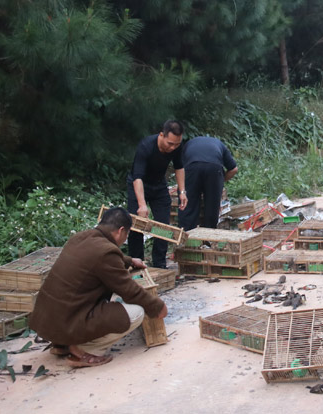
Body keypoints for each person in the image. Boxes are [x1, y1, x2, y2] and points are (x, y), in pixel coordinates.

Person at [29, 207, 168, 368]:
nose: (125, 239)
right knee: (136, 313)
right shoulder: (105, 252)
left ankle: (61, 343)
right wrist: (157, 306)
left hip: (47, 320)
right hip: (67, 320)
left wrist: (130, 260)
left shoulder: (80, 237)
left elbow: (103, 257)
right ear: (121, 231)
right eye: (127, 235)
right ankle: (81, 349)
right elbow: (129, 290)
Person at [127, 119, 186, 268]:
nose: (173, 147)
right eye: (170, 144)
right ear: (162, 135)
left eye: (176, 144)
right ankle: (137, 262)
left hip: (159, 186)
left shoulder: (177, 147)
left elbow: (179, 167)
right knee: (136, 223)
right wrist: (141, 204)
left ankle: (159, 264)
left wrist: (182, 192)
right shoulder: (146, 146)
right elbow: (137, 177)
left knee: (163, 225)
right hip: (139, 184)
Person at [178, 136, 238, 230]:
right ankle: (208, 239)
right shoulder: (220, 144)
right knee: (212, 207)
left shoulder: (187, 145)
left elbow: (179, 168)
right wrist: (220, 181)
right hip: (214, 168)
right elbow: (233, 169)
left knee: (188, 205)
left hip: (192, 167)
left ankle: (186, 237)